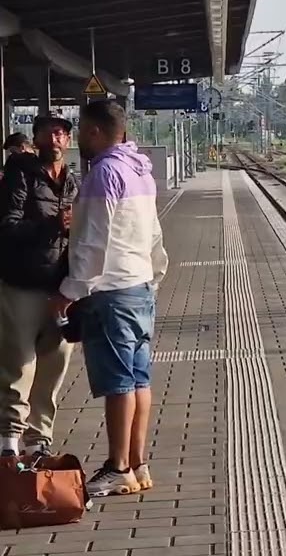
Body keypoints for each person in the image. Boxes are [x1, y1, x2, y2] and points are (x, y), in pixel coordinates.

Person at [48, 100, 168, 497]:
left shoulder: (103, 174)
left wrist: (69, 292)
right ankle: (138, 464)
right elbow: (153, 233)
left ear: (96, 131)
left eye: (81, 129)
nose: (78, 137)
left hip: (111, 292)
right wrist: (154, 276)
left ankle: (117, 467)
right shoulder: (141, 172)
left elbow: (92, 242)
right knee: (138, 379)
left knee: (118, 384)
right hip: (138, 288)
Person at [0, 117, 77, 458]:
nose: (55, 139)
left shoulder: (72, 183)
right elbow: (7, 226)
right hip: (23, 282)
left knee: (54, 363)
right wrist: (51, 225)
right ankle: (8, 438)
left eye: (61, 133)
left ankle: (39, 438)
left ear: (69, 140)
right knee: (19, 363)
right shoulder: (20, 174)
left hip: (59, 287)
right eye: (48, 133)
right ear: (36, 139)